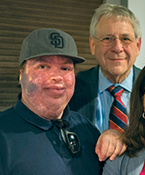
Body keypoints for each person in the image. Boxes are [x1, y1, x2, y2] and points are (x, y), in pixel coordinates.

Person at [0, 28, 125, 175]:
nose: (57, 76)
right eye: (43, 66)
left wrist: (118, 138)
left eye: (65, 68)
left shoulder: (86, 128)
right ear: (22, 75)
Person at [68, 3, 142, 133]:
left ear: (138, 46)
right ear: (93, 45)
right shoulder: (71, 89)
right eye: (108, 38)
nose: (117, 48)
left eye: (125, 39)